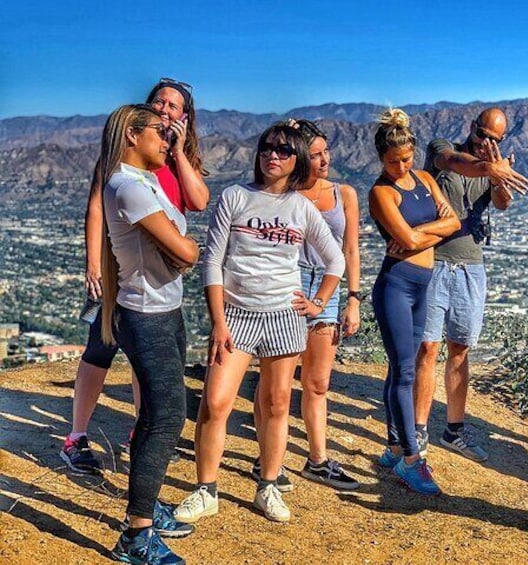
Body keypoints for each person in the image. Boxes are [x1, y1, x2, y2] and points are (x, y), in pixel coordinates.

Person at [174, 122, 344, 524]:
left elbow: (335, 260)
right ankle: (206, 490)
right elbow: (213, 262)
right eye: (267, 147)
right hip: (236, 316)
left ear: (296, 160)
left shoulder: (301, 207)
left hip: (284, 316)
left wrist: (318, 302)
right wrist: (218, 321)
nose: (273, 155)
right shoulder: (235, 197)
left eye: (284, 151)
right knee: (215, 402)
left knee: (277, 403)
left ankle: (268, 484)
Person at [61, 77, 209, 474]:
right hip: (120, 265)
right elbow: (95, 208)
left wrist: (177, 152)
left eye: (174, 106)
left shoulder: (174, 156)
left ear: (185, 117)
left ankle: (143, 432)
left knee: (152, 359)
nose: (165, 109)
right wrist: (93, 263)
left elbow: (198, 200)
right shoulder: (121, 155)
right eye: (159, 102)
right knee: (101, 346)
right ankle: (76, 436)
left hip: (161, 270)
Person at [99, 104, 200, 564]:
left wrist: (184, 252)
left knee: (156, 417)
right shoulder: (129, 187)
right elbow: (186, 251)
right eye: (160, 132)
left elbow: (179, 251)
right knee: (167, 418)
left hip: (164, 310)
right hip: (147, 316)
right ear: (132, 135)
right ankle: (135, 536)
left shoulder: (145, 181)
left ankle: (146, 507)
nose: (168, 139)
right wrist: (189, 249)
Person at [414, 107, 528, 463]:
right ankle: (417, 430)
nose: (486, 144)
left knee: (460, 349)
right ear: (472, 128)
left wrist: (498, 179)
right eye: (483, 135)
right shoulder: (443, 148)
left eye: (494, 140)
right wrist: (490, 168)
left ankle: (454, 429)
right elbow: (450, 161)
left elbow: (502, 203)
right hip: (434, 261)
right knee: (428, 348)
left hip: (471, 265)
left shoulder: (491, 166)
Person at [368, 109, 460, 495]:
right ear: (381, 159)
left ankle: (393, 446)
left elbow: (454, 222)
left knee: (401, 370)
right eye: (393, 161)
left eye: (406, 158)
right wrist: (424, 233)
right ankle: (410, 459)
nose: (401, 166)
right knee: (405, 371)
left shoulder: (423, 178)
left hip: (424, 282)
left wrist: (419, 230)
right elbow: (403, 243)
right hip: (396, 285)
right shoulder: (380, 192)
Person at [269, 118, 363, 490]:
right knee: (277, 382)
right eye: (316, 154)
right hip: (288, 287)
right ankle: (270, 457)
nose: (324, 160)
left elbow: (351, 249)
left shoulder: (345, 194)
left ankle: (317, 459)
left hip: (328, 286)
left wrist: (353, 299)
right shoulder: (282, 193)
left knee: (318, 382)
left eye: (327, 152)